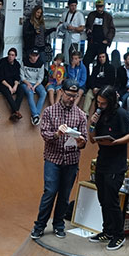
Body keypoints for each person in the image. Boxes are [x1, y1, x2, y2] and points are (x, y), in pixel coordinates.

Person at [30, 80, 88, 240]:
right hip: (53, 159)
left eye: (74, 96)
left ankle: (59, 224)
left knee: (64, 194)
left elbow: (85, 140)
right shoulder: (49, 111)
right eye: (69, 95)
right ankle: (39, 226)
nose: (71, 99)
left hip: (71, 160)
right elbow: (44, 134)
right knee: (49, 192)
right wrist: (56, 134)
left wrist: (81, 142)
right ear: (61, 92)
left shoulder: (81, 114)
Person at [87, 85, 129, 250]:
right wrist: (92, 125)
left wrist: (116, 142)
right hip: (102, 161)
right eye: (98, 102)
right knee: (102, 199)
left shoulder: (121, 114)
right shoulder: (99, 115)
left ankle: (118, 235)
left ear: (111, 101)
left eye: (103, 103)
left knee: (112, 200)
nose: (100, 106)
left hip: (116, 164)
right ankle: (107, 231)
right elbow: (92, 140)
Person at [0, 48, 25, 121]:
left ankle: (14, 112)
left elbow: (17, 77)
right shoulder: (2, 62)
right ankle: (16, 111)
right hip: (3, 83)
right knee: (7, 93)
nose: (10, 56)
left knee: (21, 91)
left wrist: (15, 86)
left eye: (12, 55)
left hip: (13, 83)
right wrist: (9, 87)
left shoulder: (17, 64)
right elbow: (0, 77)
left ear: (15, 56)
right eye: (9, 54)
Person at [83, 0, 114, 66]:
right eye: (98, 6)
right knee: (86, 61)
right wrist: (88, 30)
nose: (99, 8)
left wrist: (107, 40)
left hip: (102, 42)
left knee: (102, 63)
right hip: (92, 41)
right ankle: (88, 76)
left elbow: (112, 30)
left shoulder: (108, 16)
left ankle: (100, 76)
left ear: (103, 7)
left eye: (101, 6)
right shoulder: (91, 15)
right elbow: (87, 25)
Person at [20, 49, 47, 125]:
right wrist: (28, 84)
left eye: (36, 56)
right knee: (30, 93)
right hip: (26, 82)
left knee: (43, 93)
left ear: (38, 56)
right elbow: (22, 76)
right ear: (30, 55)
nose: (34, 58)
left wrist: (35, 86)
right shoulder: (24, 62)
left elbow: (40, 77)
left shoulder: (41, 63)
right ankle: (35, 115)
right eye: (33, 56)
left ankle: (36, 115)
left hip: (36, 83)